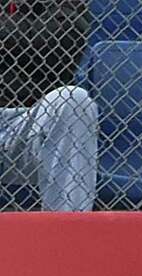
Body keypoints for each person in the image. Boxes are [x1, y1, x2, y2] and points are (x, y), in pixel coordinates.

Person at [1, 0, 96, 211]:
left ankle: (68, 236)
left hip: (26, 126)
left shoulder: (70, 9)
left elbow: (52, 46)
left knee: (74, 99)